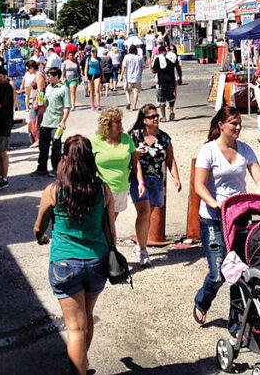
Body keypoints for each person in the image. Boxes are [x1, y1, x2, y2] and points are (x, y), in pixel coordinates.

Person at [34, 135, 113, 375]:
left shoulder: (54, 190)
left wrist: (41, 238)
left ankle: (79, 371)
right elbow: (109, 230)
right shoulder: (102, 189)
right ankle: (83, 365)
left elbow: (39, 226)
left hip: (64, 262)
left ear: (65, 159)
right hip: (97, 260)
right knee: (86, 320)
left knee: (75, 328)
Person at [192, 106, 260, 326]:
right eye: (233, 123)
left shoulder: (245, 150)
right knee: (218, 274)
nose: (238, 127)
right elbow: (199, 186)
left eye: (240, 124)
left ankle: (237, 324)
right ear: (221, 126)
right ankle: (202, 301)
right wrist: (214, 203)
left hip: (239, 217)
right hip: (213, 219)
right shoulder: (208, 150)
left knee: (240, 273)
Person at [128, 104, 181, 266]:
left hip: (157, 180)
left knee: (148, 214)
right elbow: (127, 155)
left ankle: (140, 243)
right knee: (144, 212)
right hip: (138, 180)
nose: (156, 119)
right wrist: (135, 152)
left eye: (157, 116)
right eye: (151, 117)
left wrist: (176, 178)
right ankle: (143, 250)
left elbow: (170, 160)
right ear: (144, 120)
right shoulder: (134, 136)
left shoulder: (164, 138)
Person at [92, 107, 144, 224]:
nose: (121, 123)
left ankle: (107, 241)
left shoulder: (126, 139)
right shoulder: (96, 142)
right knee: (100, 222)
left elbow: (135, 162)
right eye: (117, 121)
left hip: (121, 188)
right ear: (107, 124)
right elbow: (87, 165)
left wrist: (141, 182)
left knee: (111, 222)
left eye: (120, 120)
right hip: (101, 190)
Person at [34, 67, 71, 176]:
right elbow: (45, 103)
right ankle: (41, 168)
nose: (48, 77)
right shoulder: (48, 88)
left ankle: (56, 169)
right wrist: (39, 102)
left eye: (50, 75)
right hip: (46, 121)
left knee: (56, 147)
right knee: (43, 146)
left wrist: (63, 121)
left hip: (56, 122)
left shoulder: (64, 89)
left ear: (56, 76)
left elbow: (67, 106)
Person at [152, 43, 179, 121]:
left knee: (161, 100)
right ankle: (171, 111)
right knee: (171, 97)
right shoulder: (172, 57)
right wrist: (179, 77)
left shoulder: (158, 59)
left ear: (159, 51)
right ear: (166, 51)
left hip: (162, 82)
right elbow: (177, 67)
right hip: (171, 81)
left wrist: (157, 70)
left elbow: (154, 70)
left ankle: (164, 117)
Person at [121, 44, 145, 110]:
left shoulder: (126, 57)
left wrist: (122, 75)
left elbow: (124, 66)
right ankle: (134, 106)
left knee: (127, 90)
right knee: (136, 91)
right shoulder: (139, 57)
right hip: (137, 77)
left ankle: (129, 101)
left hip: (128, 76)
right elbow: (143, 66)